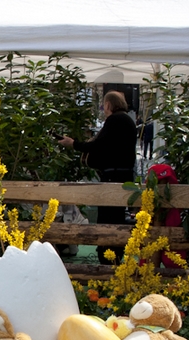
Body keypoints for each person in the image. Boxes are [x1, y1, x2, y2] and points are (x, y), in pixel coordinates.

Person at [58, 90, 138, 261]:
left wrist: (74, 144)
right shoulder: (127, 121)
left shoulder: (115, 120)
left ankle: (108, 254)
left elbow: (99, 146)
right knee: (116, 217)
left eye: (103, 105)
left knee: (108, 218)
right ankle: (114, 254)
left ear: (108, 105)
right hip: (123, 176)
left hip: (112, 177)